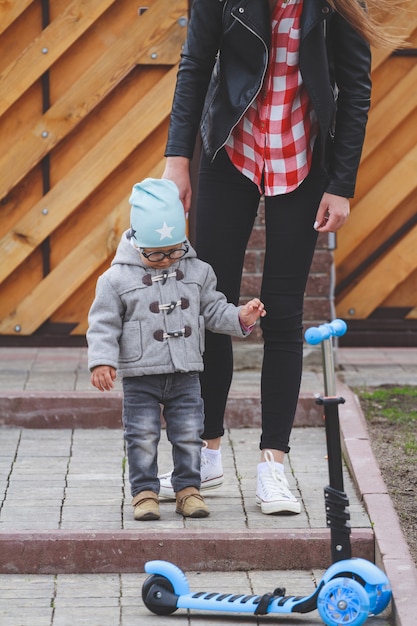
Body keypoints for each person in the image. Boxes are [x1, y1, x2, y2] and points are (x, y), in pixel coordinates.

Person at [160, 0, 405, 514]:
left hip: (303, 156)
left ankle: (273, 465)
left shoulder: (336, 3)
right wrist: (177, 160)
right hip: (231, 150)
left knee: (285, 311)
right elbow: (195, 63)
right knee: (213, 304)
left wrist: (341, 186)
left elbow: (355, 88)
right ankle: (205, 454)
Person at [87, 178, 266, 521]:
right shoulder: (114, 280)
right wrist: (102, 362)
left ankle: (188, 490)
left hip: (185, 372)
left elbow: (214, 309)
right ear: (137, 240)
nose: (167, 260)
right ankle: (144, 494)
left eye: (174, 251)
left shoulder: (197, 272)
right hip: (140, 376)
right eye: (156, 253)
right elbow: (103, 325)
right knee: (141, 436)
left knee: (189, 434)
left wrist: (241, 316)